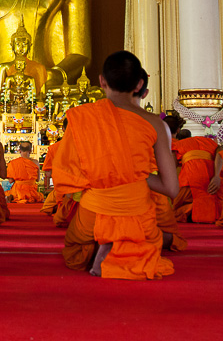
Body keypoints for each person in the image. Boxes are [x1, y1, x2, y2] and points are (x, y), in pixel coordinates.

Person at [50, 51, 179, 279]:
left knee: (74, 250)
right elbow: (171, 188)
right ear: (139, 84)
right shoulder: (156, 125)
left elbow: (67, 174)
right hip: (136, 212)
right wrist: (135, 174)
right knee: (160, 238)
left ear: (101, 81)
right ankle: (120, 246)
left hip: (93, 212)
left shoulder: (82, 117)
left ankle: (104, 243)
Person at [132, 75, 185, 253]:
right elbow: (170, 186)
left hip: (108, 196)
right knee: (167, 237)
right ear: (145, 93)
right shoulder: (155, 124)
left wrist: (125, 174)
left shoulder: (95, 121)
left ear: (104, 84)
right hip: (149, 186)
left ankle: (118, 237)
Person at [171, 122, 219, 224]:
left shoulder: (176, 145)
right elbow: (220, 150)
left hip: (189, 176)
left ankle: (192, 212)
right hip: (211, 174)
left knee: (175, 209)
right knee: (214, 198)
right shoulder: (207, 141)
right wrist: (217, 176)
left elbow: (172, 167)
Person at [39, 118, 79, 228]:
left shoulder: (54, 148)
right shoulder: (86, 147)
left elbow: (48, 173)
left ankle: (61, 207)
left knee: (48, 208)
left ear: (62, 128)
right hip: (83, 190)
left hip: (62, 189)